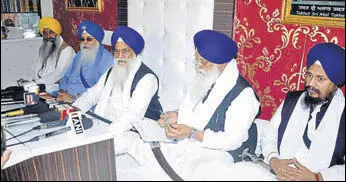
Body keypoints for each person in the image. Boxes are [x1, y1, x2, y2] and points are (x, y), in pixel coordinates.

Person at [127, 30, 261, 180]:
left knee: (195, 172)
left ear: (223, 64)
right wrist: (177, 115)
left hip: (219, 152)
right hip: (190, 142)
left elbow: (232, 141)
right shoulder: (207, 76)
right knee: (146, 152)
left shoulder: (243, 95)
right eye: (197, 60)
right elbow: (198, 109)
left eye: (203, 62)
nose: (198, 66)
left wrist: (192, 133)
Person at [204, 43, 345, 181]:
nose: (311, 83)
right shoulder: (292, 101)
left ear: (335, 84)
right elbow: (269, 135)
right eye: (309, 75)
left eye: (320, 79)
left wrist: (318, 177)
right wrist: (273, 160)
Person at [72, 26, 163, 154]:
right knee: (73, 138)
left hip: (134, 130)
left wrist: (105, 135)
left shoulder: (147, 78)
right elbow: (92, 95)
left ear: (135, 52)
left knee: (93, 151)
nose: (120, 56)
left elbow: (132, 116)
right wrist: (74, 111)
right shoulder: (111, 70)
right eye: (116, 51)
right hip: (106, 122)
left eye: (125, 51)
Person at [57, 20, 113, 102]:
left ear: (98, 40)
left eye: (89, 39)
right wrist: (62, 91)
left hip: (83, 102)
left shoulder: (107, 60)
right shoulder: (80, 54)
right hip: (65, 97)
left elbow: (101, 92)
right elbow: (66, 76)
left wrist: (74, 98)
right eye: (82, 39)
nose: (85, 43)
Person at [31, 17, 75, 93]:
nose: (48, 36)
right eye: (45, 33)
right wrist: (32, 81)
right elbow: (36, 68)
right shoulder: (44, 48)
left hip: (57, 87)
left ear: (57, 33)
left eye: (51, 32)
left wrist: (35, 83)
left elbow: (58, 75)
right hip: (42, 84)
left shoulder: (66, 50)